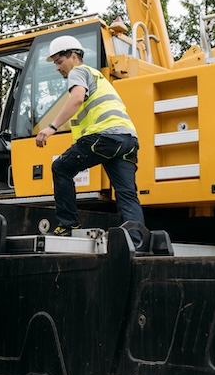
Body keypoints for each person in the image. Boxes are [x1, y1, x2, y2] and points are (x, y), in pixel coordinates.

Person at [35, 35, 145, 236]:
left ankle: (68, 225)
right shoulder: (98, 77)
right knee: (127, 194)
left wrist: (51, 127)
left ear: (74, 56)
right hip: (128, 140)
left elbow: (77, 98)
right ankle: (137, 240)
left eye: (60, 62)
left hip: (104, 138)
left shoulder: (78, 72)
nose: (58, 68)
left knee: (60, 168)